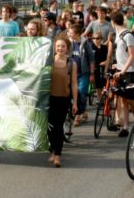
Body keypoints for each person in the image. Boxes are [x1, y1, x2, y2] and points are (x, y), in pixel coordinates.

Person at [48, 35, 78, 168]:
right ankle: (53, 150)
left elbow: (74, 84)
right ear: (55, 47)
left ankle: (57, 156)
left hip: (63, 99)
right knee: (49, 128)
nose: (60, 48)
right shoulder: (48, 62)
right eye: (58, 46)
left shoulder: (71, 63)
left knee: (58, 127)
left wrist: (75, 102)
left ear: (67, 48)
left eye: (63, 46)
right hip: (49, 99)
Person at [110, 11, 134, 137]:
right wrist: (118, 65)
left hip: (131, 71)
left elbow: (132, 56)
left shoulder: (128, 35)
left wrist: (123, 70)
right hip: (121, 69)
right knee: (123, 99)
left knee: (130, 99)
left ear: (112, 22)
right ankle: (126, 127)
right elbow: (122, 53)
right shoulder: (117, 34)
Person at [67, 24, 95, 126]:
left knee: (81, 93)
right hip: (72, 73)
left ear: (78, 34)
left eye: (71, 33)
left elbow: (91, 60)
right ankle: (82, 111)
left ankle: (77, 116)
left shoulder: (86, 44)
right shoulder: (69, 43)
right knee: (73, 94)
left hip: (83, 73)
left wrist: (92, 74)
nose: (69, 34)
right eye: (69, 32)